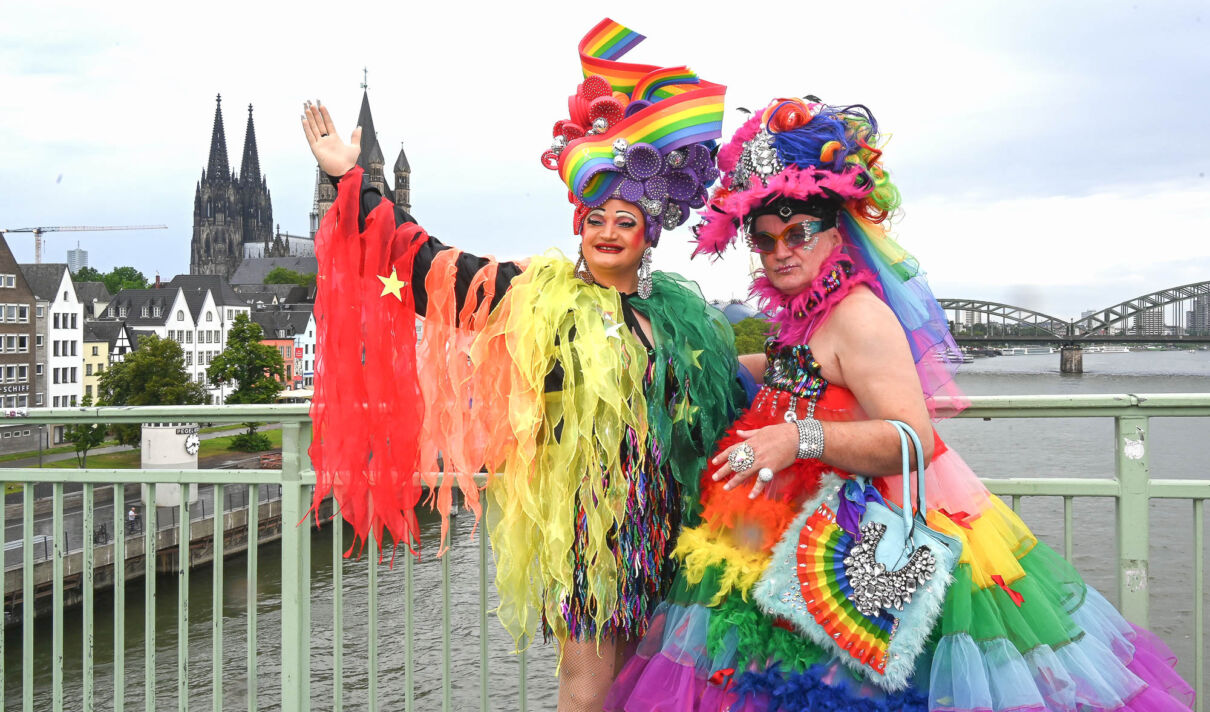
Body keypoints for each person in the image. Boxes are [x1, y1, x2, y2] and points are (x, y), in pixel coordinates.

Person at [605, 98, 1194, 711]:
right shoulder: (802, 317)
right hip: (780, 546)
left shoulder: (860, 317)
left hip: (847, 552)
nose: (781, 250)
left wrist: (796, 440)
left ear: (836, 235)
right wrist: (684, 359)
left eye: (799, 233)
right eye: (766, 238)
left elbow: (912, 439)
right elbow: (791, 378)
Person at [303, 19, 743, 711]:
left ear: (647, 235)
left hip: (672, 521)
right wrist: (350, 181)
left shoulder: (681, 319)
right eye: (594, 219)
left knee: (657, 683)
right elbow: (429, 266)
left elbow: (727, 394)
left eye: (623, 222)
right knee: (588, 684)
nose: (605, 234)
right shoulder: (534, 294)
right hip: (591, 531)